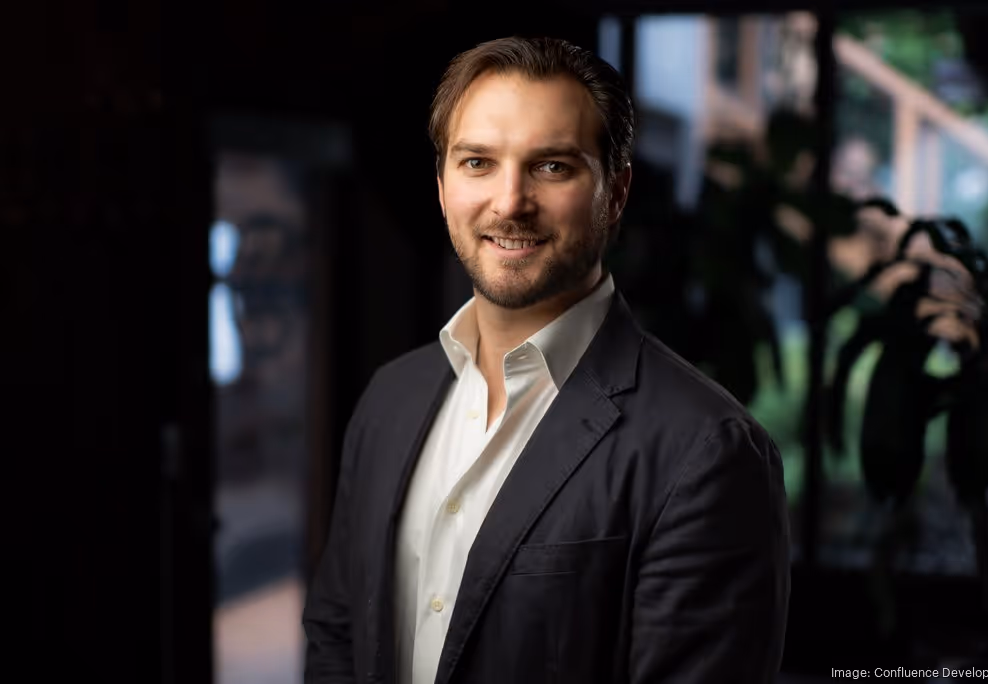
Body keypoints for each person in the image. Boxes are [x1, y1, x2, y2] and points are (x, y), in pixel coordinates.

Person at [303, 36, 791, 684]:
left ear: (615, 193)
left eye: (553, 167)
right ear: (443, 186)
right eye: (477, 162)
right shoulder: (389, 398)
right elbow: (337, 635)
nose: (509, 202)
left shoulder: (706, 451)